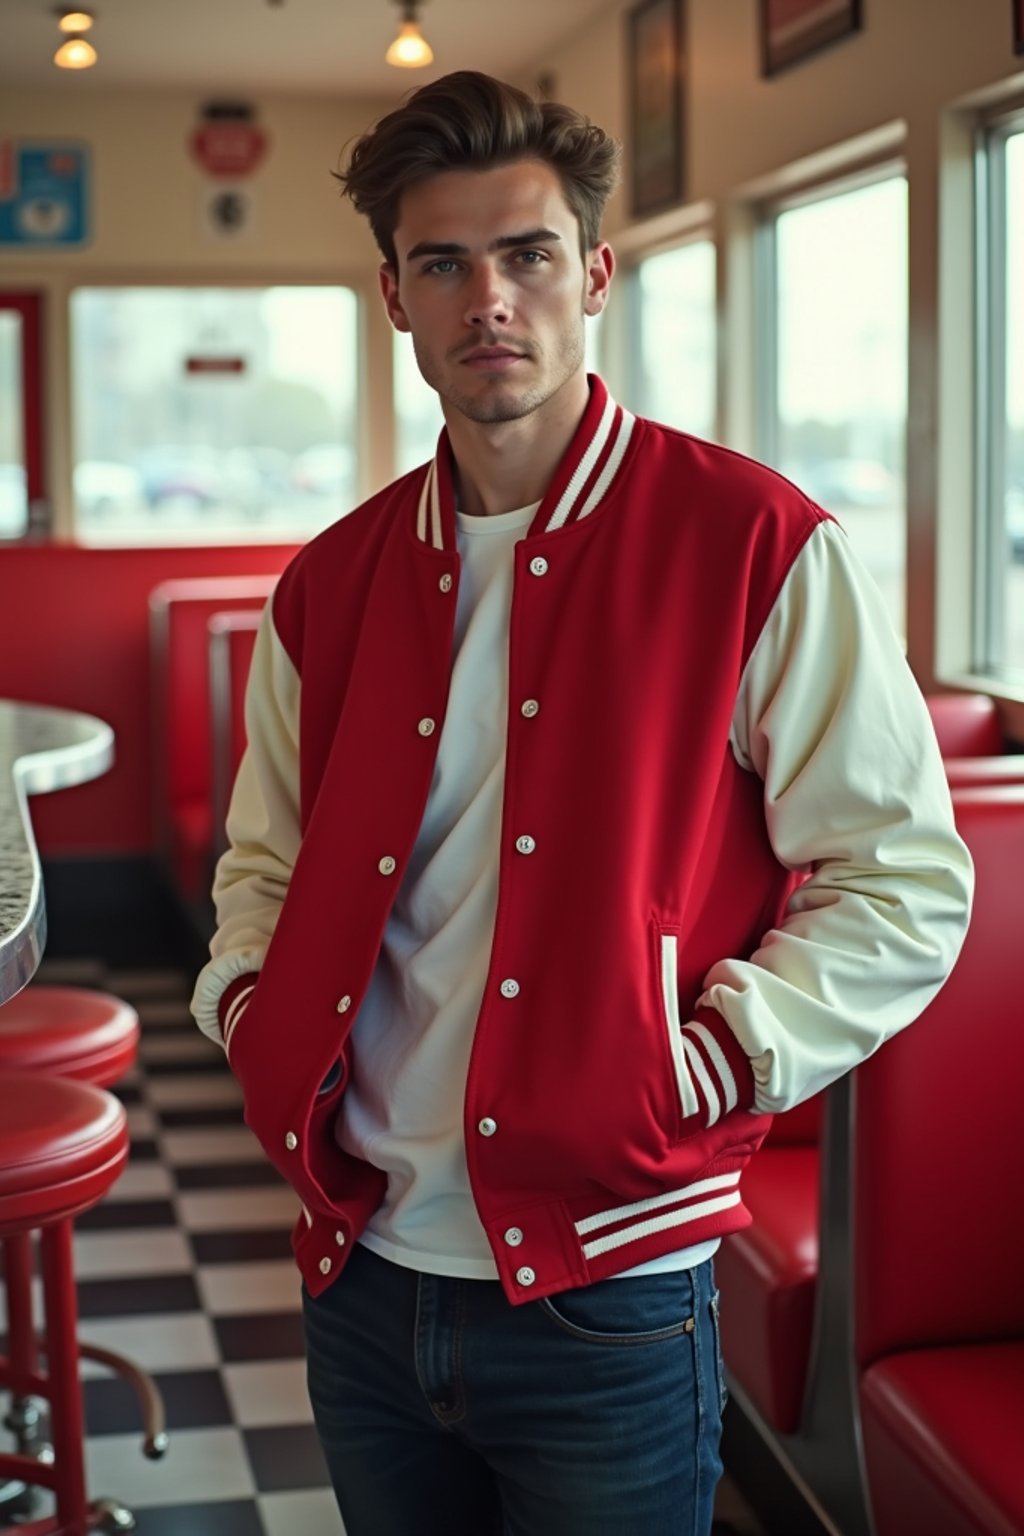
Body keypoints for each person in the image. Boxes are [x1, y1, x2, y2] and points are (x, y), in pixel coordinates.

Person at [191, 70, 973, 1536]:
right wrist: (253, 1008)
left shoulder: (758, 543)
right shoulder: (331, 584)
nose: (489, 298)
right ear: (396, 299)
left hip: (612, 1287)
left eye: (528, 254)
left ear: (595, 273)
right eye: (443, 263)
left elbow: (905, 879)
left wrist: (715, 1060)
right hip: (359, 1269)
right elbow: (264, 861)